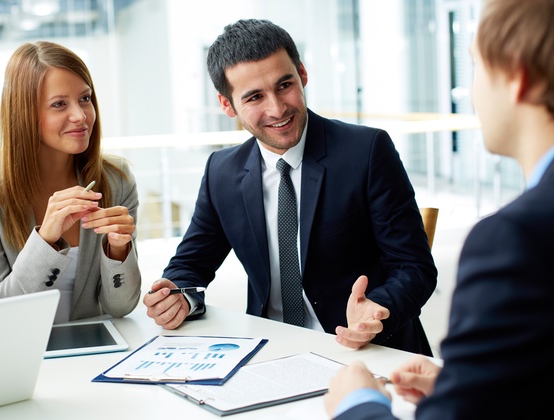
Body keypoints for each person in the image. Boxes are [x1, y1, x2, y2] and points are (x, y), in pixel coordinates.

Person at [143, 19, 437, 356]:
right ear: (227, 106)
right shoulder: (221, 172)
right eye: (254, 97)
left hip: (365, 349)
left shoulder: (367, 151)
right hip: (269, 350)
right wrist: (178, 296)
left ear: (302, 74)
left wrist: (378, 309)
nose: (278, 108)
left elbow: (414, 268)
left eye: (285, 85)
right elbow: (189, 266)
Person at [324, 0, 554, 418]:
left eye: (476, 67)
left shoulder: (514, 239)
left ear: (517, 77)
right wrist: (473, 389)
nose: (470, 93)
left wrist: (356, 402)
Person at [0, 41, 140, 323]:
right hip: (20, 356)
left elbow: (121, 307)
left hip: (95, 353)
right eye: (59, 104)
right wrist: (45, 240)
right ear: (24, 113)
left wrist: (118, 248)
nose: (80, 116)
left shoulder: (117, 179)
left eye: (85, 98)